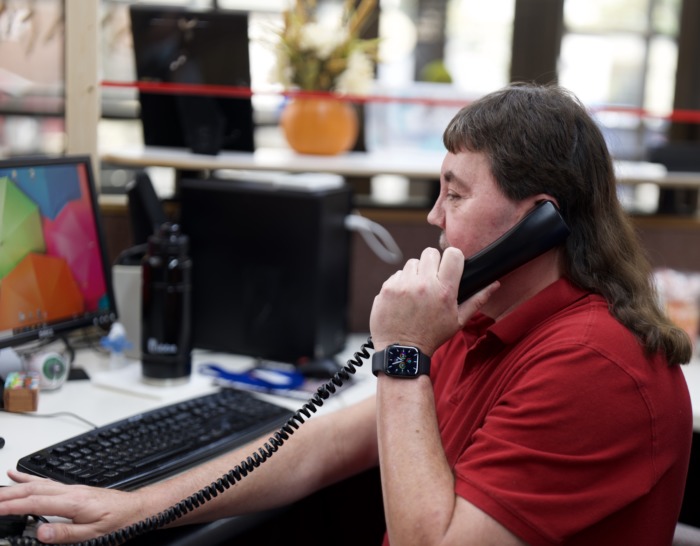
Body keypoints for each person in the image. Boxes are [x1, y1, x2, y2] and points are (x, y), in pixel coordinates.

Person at [0, 83, 693, 546]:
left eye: (454, 193)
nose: (432, 216)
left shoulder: (593, 366)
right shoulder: (489, 316)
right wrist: (137, 506)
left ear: (537, 222)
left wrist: (401, 355)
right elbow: (323, 444)